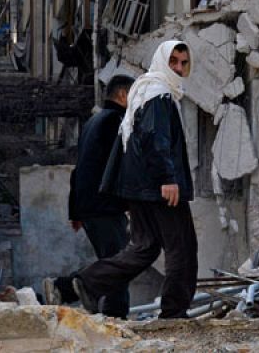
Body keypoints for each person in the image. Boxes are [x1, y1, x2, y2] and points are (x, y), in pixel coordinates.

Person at [72, 40, 197, 319]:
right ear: (162, 61)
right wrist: (168, 177)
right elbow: (155, 137)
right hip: (159, 187)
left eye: (183, 62)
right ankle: (174, 313)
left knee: (144, 248)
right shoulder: (160, 94)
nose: (178, 67)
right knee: (182, 248)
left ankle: (88, 283)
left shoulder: (144, 91)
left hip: (140, 189)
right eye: (173, 61)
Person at [55, 74, 134, 311]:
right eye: (135, 94)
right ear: (122, 95)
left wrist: (76, 211)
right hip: (105, 207)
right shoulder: (116, 121)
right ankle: (67, 287)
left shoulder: (93, 122)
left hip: (91, 208)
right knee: (119, 265)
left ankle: (106, 313)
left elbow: (79, 170)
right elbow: (121, 166)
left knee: (113, 263)